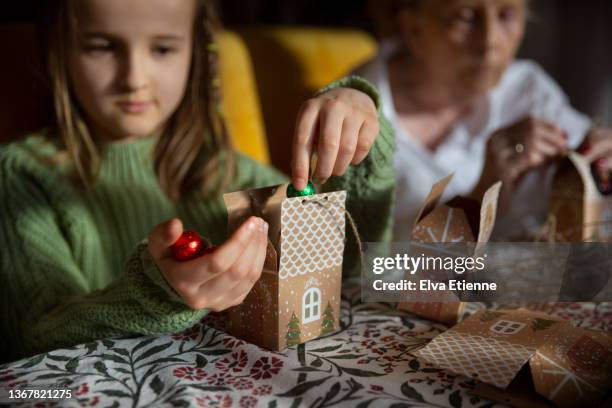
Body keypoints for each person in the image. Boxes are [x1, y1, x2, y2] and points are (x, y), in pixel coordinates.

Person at [0, 0, 395, 363]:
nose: (133, 79)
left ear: (198, 54)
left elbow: (353, 267)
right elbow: (33, 336)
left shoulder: (224, 169)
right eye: (102, 47)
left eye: (163, 49)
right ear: (59, 50)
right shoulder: (20, 174)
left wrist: (363, 141)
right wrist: (155, 296)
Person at [357, 0, 612, 240]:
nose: (490, 41)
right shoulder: (355, 122)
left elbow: (597, 174)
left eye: (507, 14)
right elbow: (376, 271)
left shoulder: (526, 88)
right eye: (465, 17)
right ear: (412, 27)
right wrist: (482, 197)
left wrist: (599, 162)